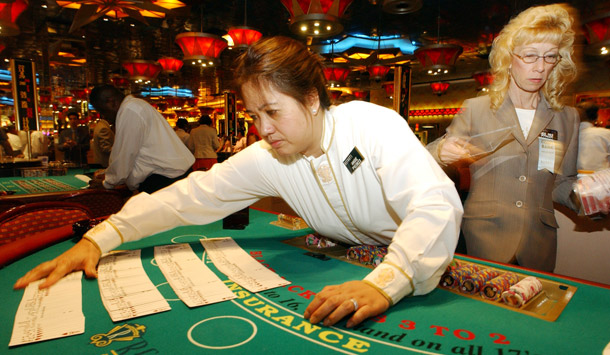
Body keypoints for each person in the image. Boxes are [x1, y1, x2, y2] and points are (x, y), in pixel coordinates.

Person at [14, 36, 462, 329]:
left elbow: (435, 205)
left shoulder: (371, 125)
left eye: (272, 110)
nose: (263, 128)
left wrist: (390, 280)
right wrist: (101, 237)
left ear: (311, 98)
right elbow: (188, 198)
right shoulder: (271, 156)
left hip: (419, 263)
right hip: (349, 262)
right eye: (253, 114)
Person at [426, 4, 580, 272]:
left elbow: (560, 183)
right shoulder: (477, 109)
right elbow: (427, 156)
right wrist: (442, 151)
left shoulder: (566, 117)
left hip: (538, 244)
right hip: (483, 237)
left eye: (550, 57)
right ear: (510, 58)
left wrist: (590, 197)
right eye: (530, 56)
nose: (540, 67)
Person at [86, 85, 194, 194]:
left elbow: (126, 154)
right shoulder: (136, 106)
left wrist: (107, 182)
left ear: (111, 102)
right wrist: (109, 174)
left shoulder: (129, 110)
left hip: (165, 180)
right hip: (171, 177)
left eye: (102, 111)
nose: (104, 117)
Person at [577, 102, 610, 172]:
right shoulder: (606, 134)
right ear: (596, 117)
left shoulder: (568, 134)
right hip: (600, 179)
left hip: (573, 179)